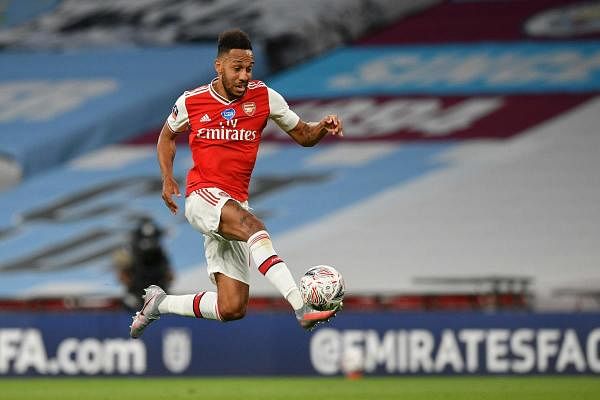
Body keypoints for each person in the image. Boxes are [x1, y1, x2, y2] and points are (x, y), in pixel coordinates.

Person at [130, 28, 343, 338]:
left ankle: (159, 304)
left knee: (232, 308)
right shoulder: (193, 101)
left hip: (233, 204)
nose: (244, 75)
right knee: (253, 227)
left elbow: (304, 135)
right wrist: (167, 177)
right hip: (203, 197)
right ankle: (301, 305)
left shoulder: (265, 97)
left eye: (249, 68)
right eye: (237, 68)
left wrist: (322, 126)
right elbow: (166, 136)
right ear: (219, 66)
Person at [113, 217, 174, 310]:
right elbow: (123, 275)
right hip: (136, 295)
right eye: (146, 240)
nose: (149, 244)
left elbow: (169, 276)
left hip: (158, 294)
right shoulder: (131, 254)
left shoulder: (160, 254)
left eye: (152, 240)